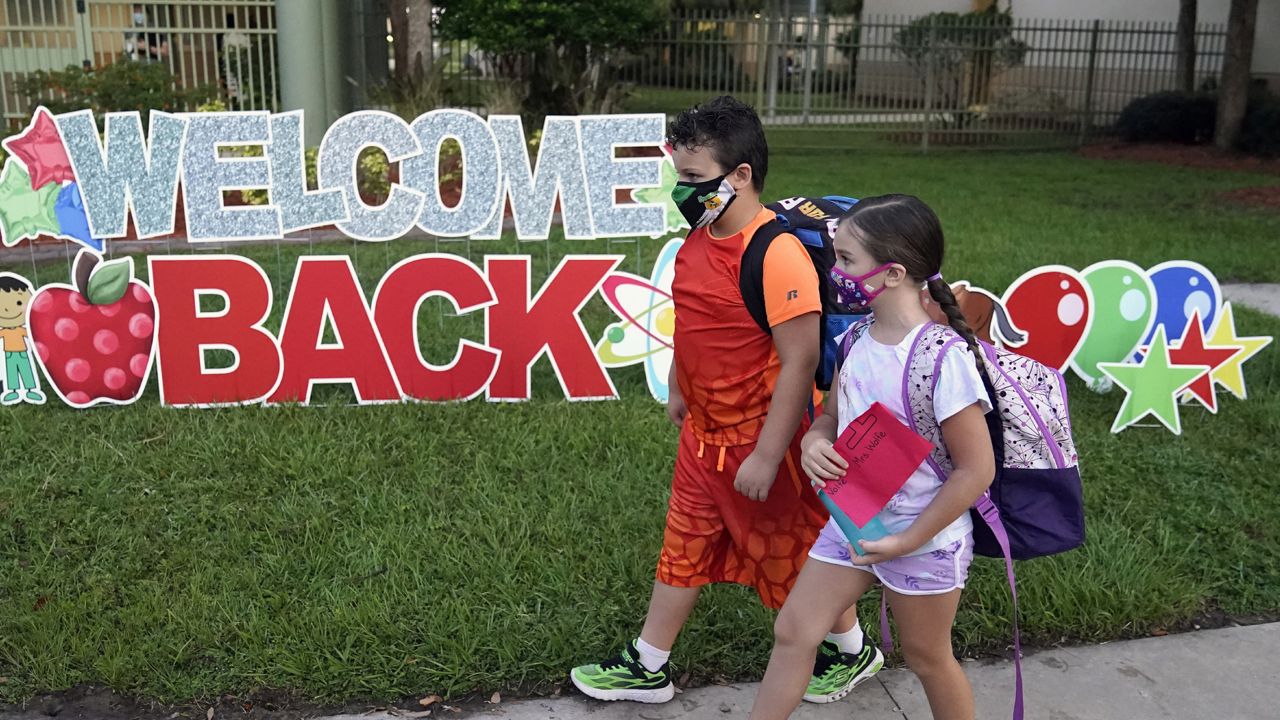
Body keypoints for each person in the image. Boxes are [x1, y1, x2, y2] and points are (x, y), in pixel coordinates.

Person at [570, 96, 880, 705]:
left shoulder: (776, 254)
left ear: (740, 175)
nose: (683, 191)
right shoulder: (699, 239)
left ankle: (852, 650)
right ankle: (648, 662)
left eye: (692, 177)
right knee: (683, 543)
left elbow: (798, 361)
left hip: (761, 439)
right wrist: (682, 387)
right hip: (703, 437)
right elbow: (692, 320)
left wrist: (767, 456)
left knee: (788, 554)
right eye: (678, 176)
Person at [748, 194, 995, 720]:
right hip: (853, 521)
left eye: (845, 260)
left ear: (892, 273)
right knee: (793, 632)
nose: (833, 271)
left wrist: (908, 538)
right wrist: (815, 442)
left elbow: (977, 469)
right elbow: (829, 418)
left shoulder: (942, 359)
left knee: (928, 659)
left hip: (923, 541)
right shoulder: (857, 337)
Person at [0, 274, 45, 406]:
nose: (8, 310)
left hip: (23, 353)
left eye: (19, 302)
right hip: (8, 354)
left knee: (26, 371)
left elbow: (32, 334)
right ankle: (12, 391)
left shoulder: (23, 329)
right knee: (11, 372)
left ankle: (31, 390)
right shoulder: (4, 331)